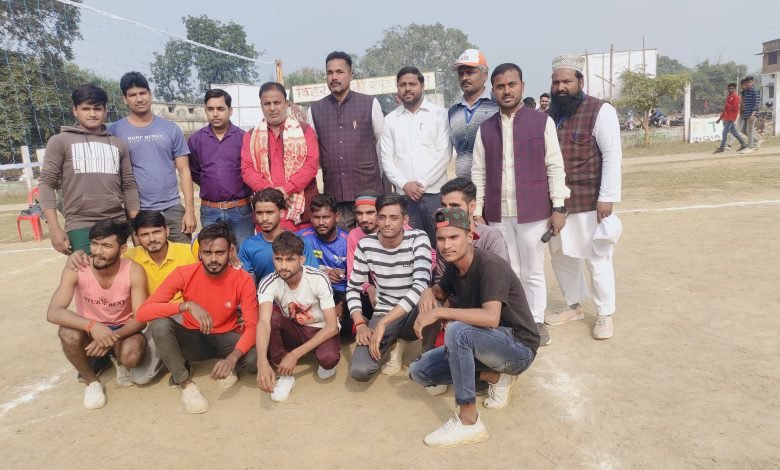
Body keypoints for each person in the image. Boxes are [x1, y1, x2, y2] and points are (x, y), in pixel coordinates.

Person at [409, 208, 539, 448]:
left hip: (519, 348)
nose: (446, 245)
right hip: (486, 344)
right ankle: (496, 377)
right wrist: (428, 292)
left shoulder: (490, 265)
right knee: (420, 371)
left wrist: (439, 312)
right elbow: (440, 291)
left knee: (457, 331)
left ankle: (469, 422)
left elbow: (491, 318)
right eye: (441, 239)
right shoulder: (454, 265)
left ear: (470, 237)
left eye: (453, 237)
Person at [471, 63, 569, 347]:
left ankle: (536, 321)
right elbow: (478, 172)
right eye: (500, 86)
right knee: (508, 270)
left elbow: (555, 166)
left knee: (533, 269)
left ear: (522, 86)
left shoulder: (541, 122)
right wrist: (477, 212)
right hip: (498, 214)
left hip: (533, 212)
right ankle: (517, 320)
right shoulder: (486, 129)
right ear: (493, 91)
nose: (506, 91)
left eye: (511, 85)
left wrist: (558, 207)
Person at [137, 223, 259, 414]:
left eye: (220, 252)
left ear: (230, 252)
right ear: (199, 253)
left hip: (227, 337)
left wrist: (232, 358)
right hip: (193, 338)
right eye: (207, 253)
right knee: (159, 324)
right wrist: (185, 306)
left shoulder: (243, 279)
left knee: (254, 360)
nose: (213, 259)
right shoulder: (184, 273)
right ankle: (185, 383)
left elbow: (252, 326)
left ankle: (227, 364)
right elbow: (143, 312)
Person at [544, 54, 623, 340]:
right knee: (561, 256)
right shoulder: (549, 115)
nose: (561, 88)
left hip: (590, 198)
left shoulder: (600, 110)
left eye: (567, 81)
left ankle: (604, 314)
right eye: (556, 83)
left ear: (580, 81)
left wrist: (608, 196)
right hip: (557, 202)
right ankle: (573, 306)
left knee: (597, 257)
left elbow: (612, 154)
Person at [46, 219, 148, 409]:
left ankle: (115, 358)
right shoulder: (77, 267)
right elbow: (54, 312)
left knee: (131, 355)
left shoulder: (134, 270)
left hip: (122, 329)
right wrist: (93, 326)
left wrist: (111, 337)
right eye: (94, 244)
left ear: (122, 248)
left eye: (106, 246)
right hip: (90, 329)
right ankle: (92, 382)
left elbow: (141, 319)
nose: (98, 251)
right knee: (67, 333)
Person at [39, 84, 140, 255]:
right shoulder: (60, 141)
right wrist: (54, 228)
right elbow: (46, 184)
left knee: (119, 271)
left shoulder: (118, 144)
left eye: (97, 108)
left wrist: (136, 225)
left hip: (117, 222)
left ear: (105, 111)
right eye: (86, 109)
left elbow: (129, 186)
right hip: (80, 223)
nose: (92, 114)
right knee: (88, 270)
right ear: (75, 110)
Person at [346, 193, 434, 382]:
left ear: (405, 220)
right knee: (360, 370)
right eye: (382, 217)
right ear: (377, 219)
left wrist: (383, 323)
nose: (387, 223)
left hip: (413, 310)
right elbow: (352, 287)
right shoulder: (365, 245)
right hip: (384, 310)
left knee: (432, 300)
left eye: (394, 218)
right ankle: (394, 342)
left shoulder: (418, 238)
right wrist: (360, 323)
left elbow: (420, 285)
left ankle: (429, 363)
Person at [108, 71, 196, 243]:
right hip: (139, 211)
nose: (139, 99)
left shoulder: (170, 129)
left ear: (150, 94)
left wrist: (190, 211)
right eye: (132, 95)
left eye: (143, 93)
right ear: (124, 99)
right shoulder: (114, 131)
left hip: (172, 208)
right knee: (145, 259)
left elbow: (184, 170)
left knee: (184, 256)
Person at [256, 232, 340, 402]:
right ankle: (284, 374)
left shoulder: (318, 278)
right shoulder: (268, 282)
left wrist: (294, 355)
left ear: (301, 260)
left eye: (289, 260)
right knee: (272, 318)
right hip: (294, 329)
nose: (283, 266)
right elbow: (263, 323)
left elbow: (332, 326)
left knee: (328, 360)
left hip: (320, 329)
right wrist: (262, 362)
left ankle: (305, 354)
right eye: (278, 259)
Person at [308, 51, 385, 229]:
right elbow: (314, 153)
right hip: (335, 195)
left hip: (368, 194)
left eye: (339, 72)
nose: (334, 77)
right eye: (330, 73)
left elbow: (381, 145)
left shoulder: (369, 104)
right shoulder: (315, 110)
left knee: (372, 241)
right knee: (343, 243)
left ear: (351, 75)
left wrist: (380, 182)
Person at [381, 66, 452, 246]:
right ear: (397, 88)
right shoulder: (390, 120)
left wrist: (421, 184)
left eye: (412, 84)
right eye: (402, 85)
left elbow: (444, 153)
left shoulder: (439, 114)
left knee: (441, 243)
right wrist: (405, 184)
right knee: (409, 246)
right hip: (404, 197)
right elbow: (387, 159)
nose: (407, 88)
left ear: (422, 86)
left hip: (434, 195)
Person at [241, 82, 319, 232]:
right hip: (266, 214)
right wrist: (273, 193)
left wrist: (287, 189)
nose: (272, 108)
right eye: (267, 104)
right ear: (261, 105)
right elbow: (247, 170)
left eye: (277, 103)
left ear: (286, 103)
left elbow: (311, 165)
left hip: (301, 216)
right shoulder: (251, 136)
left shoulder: (305, 131)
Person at [188, 89, 254, 246]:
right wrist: (212, 184)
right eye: (210, 109)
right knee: (213, 253)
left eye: (220, 109)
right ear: (205, 110)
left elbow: (251, 170)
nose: (215, 114)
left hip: (241, 210)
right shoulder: (196, 140)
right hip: (210, 210)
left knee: (244, 253)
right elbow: (195, 172)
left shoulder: (244, 138)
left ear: (230, 111)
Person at [434, 178, 508, 283]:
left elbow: (500, 279)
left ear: (472, 206)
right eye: (444, 206)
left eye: (454, 206)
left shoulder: (491, 237)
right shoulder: (444, 238)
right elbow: (440, 282)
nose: (447, 211)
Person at [239, 188, 317, 285]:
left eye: (269, 212)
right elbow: (246, 284)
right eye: (259, 213)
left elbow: (313, 279)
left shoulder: (300, 242)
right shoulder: (248, 246)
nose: (264, 218)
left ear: (281, 213)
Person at [296, 194, 351, 331]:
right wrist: (323, 274)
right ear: (311, 217)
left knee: (344, 326)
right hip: (312, 292)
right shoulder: (302, 238)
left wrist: (342, 303)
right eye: (316, 217)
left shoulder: (347, 241)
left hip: (340, 293)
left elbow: (356, 280)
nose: (321, 222)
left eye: (326, 217)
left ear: (336, 217)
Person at [448, 49, 499, 179]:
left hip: (494, 183)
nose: (464, 77)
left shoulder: (498, 106)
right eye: (461, 73)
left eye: (470, 72)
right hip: (465, 185)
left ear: (485, 75)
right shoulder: (453, 111)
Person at [714, 83, 748, 154]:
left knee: (724, 133)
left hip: (731, 118)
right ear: (727, 89)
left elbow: (735, 108)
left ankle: (722, 148)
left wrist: (728, 105)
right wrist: (720, 118)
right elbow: (725, 109)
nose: (730, 89)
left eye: (732, 88)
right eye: (729, 88)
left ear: (734, 89)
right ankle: (743, 144)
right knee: (735, 133)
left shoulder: (736, 97)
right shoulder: (728, 97)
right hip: (727, 117)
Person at [738, 76, 761, 152]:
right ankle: (756, 140)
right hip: (746, 113)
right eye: (747, 82)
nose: (748, 84)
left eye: (750, 82)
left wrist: (753, 114)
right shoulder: (746, 92)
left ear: (753, 82)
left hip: (752, 114)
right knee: (742, 130)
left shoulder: (755, 91)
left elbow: (756, 103)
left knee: (749, 130)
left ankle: (750, 147)